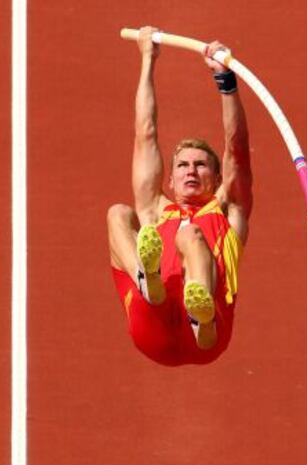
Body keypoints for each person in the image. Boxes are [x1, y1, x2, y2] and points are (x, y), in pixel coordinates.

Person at [108, 26, 253, 366]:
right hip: (152, 324)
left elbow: (237, 151)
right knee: (118, 214)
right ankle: (147, 280)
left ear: (216, 176)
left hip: (207, 337)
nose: (191, 171)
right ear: (169, 179)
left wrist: (225, 83)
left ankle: (199, 313)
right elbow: (146, 132)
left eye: (201, 166)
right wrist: (147, 59)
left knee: (191, 235)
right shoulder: (155, 210)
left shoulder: (228, 212)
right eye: (183, 166)